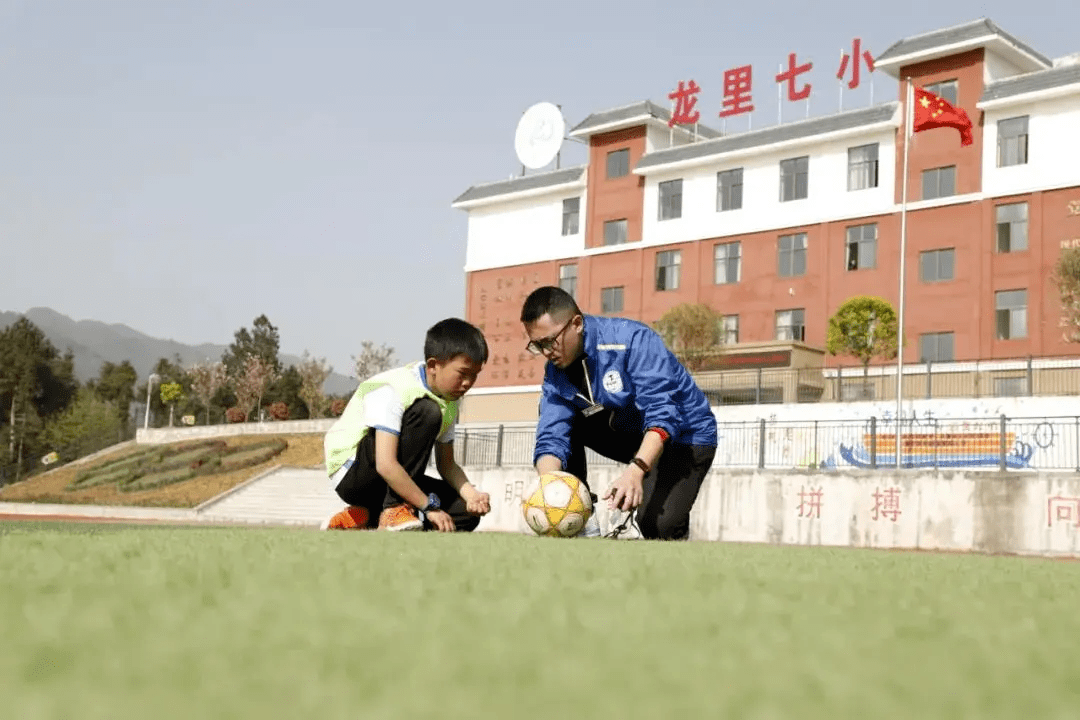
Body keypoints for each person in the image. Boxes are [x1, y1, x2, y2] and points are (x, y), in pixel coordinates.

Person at [520, 287, 717, 540]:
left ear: (577, 324)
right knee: (568, 422)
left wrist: (635, 471)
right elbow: (552, 435)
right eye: (537, 345)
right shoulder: (555, 373)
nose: (546, 352)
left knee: (658, 526)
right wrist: (550, 493)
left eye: (550, 341)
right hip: (632, 430)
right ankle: (583, 523)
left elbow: (663, 414)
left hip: (686, 436)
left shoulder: (633, 340)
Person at [321, 318, 492, 532]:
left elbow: (447, 465)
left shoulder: (450, 400)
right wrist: (428, 506)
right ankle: (393, 510)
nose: (468, 383)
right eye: (462, 374)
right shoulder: (395, 389)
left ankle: (364, 515)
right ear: (433, 366)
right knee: (427, 412)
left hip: (391, 477)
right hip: (354, 474)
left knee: (464, 513)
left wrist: (472, 496)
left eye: (474, 376)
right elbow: (385, 464)